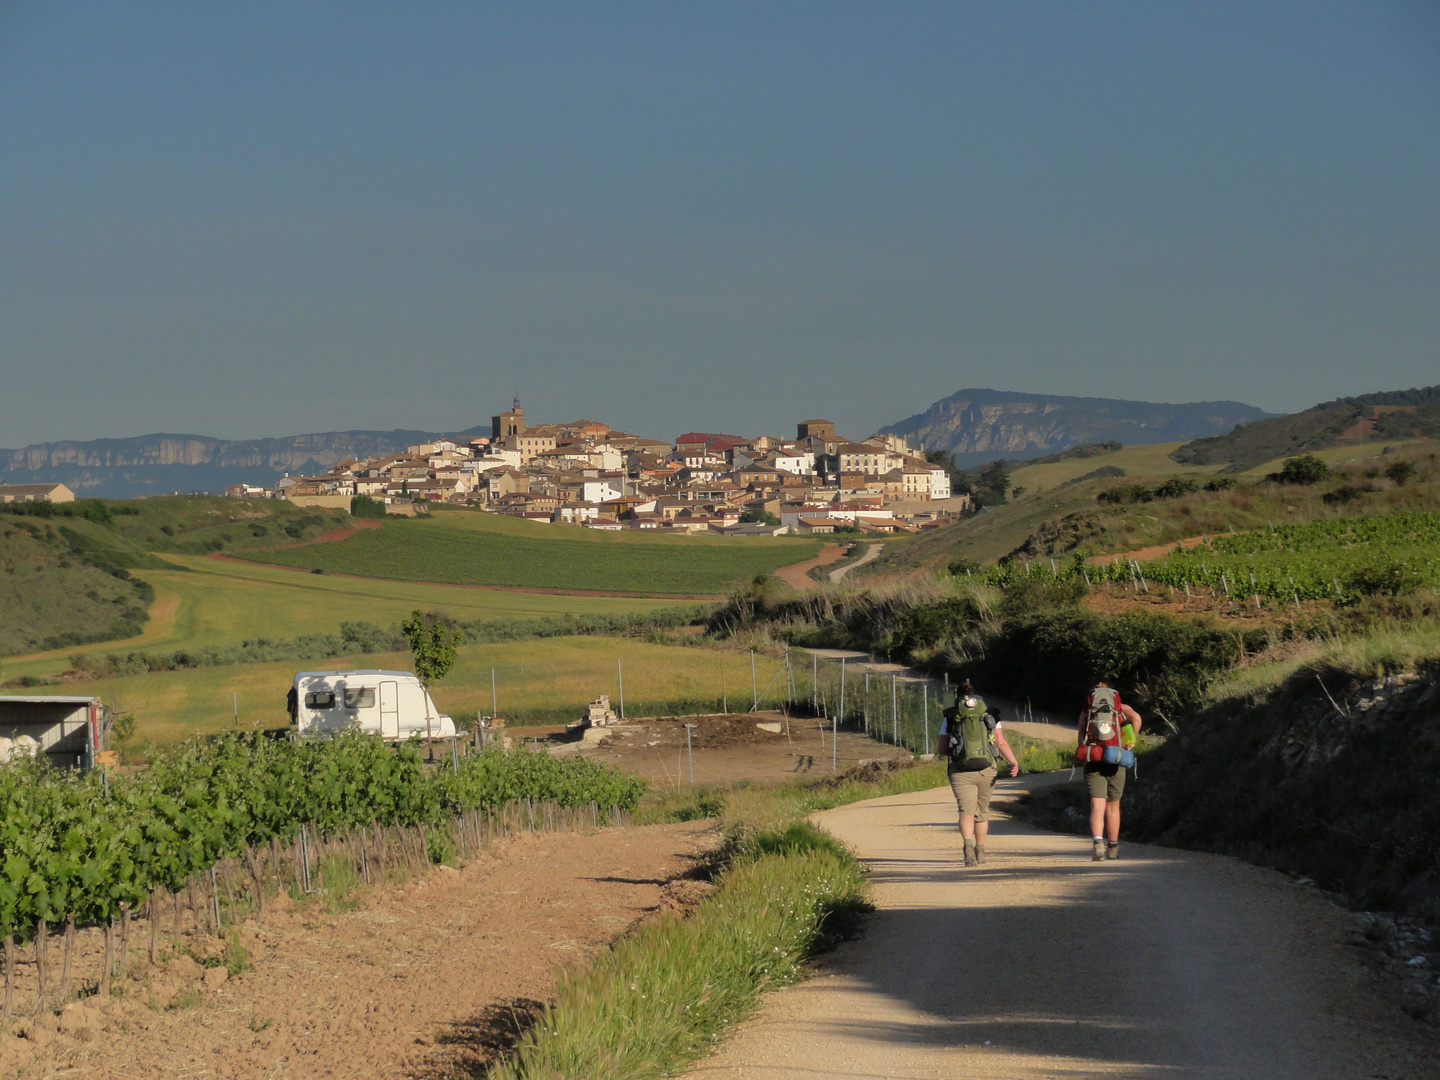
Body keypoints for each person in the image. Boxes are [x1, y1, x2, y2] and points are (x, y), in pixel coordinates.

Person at [939, 680, 1021, 867]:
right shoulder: (991, 715)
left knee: (965, 811)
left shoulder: (950, 716)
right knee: (981, 813)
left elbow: (942, 748)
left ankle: (968, 847)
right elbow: (1000, 742)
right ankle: (981, 851)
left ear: (958, 697)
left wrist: (959, 752)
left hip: (960, 771)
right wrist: (1013, 761)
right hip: (987, 770)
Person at [1077, 679, 1143, 861]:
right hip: (1116, 758)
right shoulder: (1120, 707)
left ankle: (1098, 843)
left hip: (1094, 758)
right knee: (1113, 807)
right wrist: (1130, 742)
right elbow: (1137, 718)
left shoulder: (1088, 710)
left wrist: (1087, 749)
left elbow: (1081, 734)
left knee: (1097, 805)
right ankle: (1112, 847)